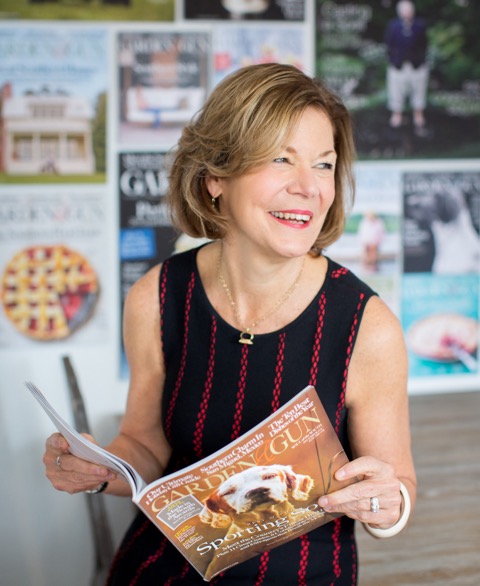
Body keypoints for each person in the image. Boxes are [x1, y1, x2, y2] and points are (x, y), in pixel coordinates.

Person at [43, 63, 416, 585]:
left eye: (324, 165)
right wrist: (99, 470)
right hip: (164, 570)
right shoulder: (157, 297)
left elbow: (397, 487)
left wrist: (387, 504)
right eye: (280, 159)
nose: (308, 187)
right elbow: (146, 450)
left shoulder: (367, 326)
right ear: (216, 176)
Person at [385, 0, 429, 133]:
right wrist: (393, 60)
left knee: (419, 90)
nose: (408, 12)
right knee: (396, 91)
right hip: (398, 66)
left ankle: (418, 115)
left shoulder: (420, 25)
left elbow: (424, 44)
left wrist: (421, 60)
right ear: (400, 12)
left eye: (409, 10)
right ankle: (397, 115)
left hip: (417, 66)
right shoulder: (393, 25)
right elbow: (388, 45)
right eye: (405, 10)